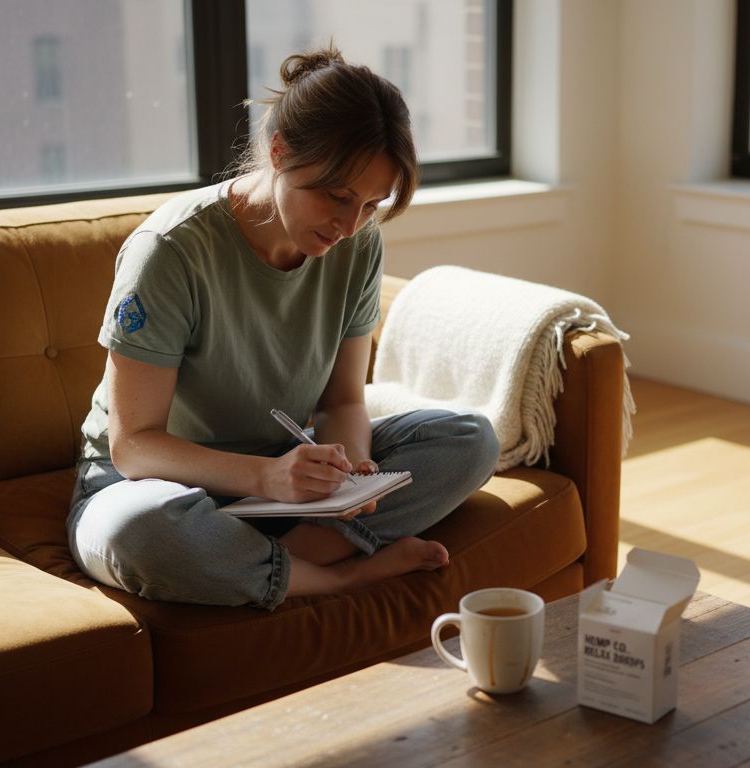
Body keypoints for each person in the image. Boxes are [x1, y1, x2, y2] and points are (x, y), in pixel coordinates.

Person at [67, 45, 499, 610]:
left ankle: (264, 559)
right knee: (141, 533)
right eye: (337, 196)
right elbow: (133, 447)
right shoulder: (169, 251)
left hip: (285, 481)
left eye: (371, 205)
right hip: (154, 485)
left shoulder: (358, 246)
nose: (349, 225)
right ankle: (335, 576)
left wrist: (351, 476)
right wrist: (266, 477)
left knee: (470, 439)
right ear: (279, 151)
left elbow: (343, 401)